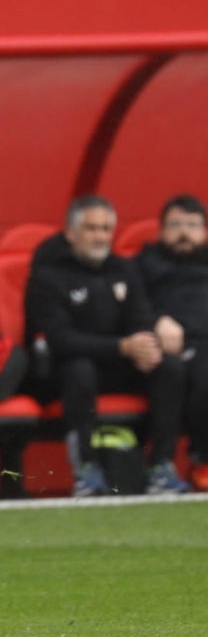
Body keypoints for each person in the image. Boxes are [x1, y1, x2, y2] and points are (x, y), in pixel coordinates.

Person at [24, 194, 187, 496]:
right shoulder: (48, 275)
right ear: (71, 233)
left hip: (120, 365)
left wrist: (146, 345)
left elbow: (141, 316)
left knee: (170, 367)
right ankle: (87, 469)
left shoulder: (124, 269)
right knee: (79, 370)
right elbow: (60, 339)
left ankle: (161, 466)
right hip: (67, 370)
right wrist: (122, 347)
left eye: (106, 229)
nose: (100, 237)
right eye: (91, 229)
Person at [132, 194, 208, 491]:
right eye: (175, 224)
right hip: (169, 348)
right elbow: (131, 305)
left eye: (192, 225)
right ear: (161, 231)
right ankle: (195, 461)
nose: (184, 232)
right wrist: (157, 320)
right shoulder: (143, 263)